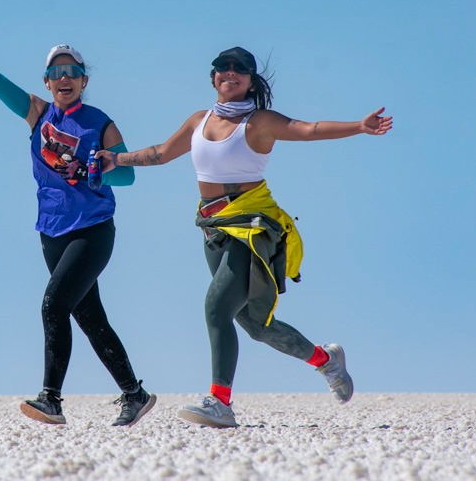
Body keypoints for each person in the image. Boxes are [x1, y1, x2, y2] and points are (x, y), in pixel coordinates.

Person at [96, 46, 392, 428]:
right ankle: (326, 361)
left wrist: (358, 126)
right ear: (213, 76)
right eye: (223, 67)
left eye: (240, 69)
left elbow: (309, 130)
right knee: (256, 325)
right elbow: (161, 153)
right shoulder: (198, 121)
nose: (230, 73)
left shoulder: (260, 121)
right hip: (213, 228)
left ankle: (220, 402)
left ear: (251, 79)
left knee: (216, 308)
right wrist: (116, 159)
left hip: (252, 225)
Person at [0, 6, 156, 427]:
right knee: (89, 318)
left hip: (92, 232)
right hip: (51, 232)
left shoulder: (100, 124)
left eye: (72, 70)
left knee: (53, 305)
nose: (64, 77)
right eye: (56, 72)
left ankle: (50, 398)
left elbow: (127, 177)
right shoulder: (37, 114)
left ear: (84, 80)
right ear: (47, 82)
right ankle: (135, 393)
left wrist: (99, 168)